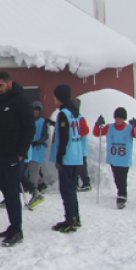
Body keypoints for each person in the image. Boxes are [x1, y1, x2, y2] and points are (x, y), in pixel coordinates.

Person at [0, 72, 34, 247]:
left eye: (0, 85)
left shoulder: (21, 101)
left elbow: (29, 129)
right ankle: (12, 225)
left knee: (13, 192)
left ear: (9, 83)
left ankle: (17, 229)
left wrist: (21, 152)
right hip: (0, 154)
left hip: (13, 155)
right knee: (7, 192)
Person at [49, 85, 89, 233]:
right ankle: (75, 217)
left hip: (67, 157)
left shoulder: (63, 114)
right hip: (76, 156)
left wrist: (59, 157)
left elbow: (64, 137)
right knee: (71, 189)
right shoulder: (74, 113)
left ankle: (70, 219)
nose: (53, 99)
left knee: (66, 189)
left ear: (59, 97)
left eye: (55, 96)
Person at [93, 107, 136, 209]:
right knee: (117, 177)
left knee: (122, 178)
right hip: (113, 158)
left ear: (124, 119)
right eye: (116, 118)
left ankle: (122, 195)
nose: (118, 121)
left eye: (120, 118)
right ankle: (120, 191)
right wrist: (97, 124)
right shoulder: (109, 127)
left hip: (124, 159)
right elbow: (97, 133)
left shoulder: (129, 128)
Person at [22, 102, 49, 209]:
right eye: (34, 110)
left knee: (34, 171)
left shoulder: (42, 122)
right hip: (29, 149)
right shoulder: (28, 121)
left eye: (37, 110)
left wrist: (38, 141)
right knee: (31, 170)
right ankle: (40, 184)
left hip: (37, 149)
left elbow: (45, 135)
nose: (35, 112)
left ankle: (35, 192)